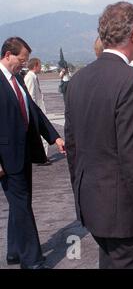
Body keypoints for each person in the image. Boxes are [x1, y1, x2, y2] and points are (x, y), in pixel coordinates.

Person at [64, 2, 133, 269]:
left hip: (92, 202)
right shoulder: (130, 79)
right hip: (122, 209)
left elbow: (72, 148)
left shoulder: (78, 79)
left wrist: (81, 194)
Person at [0, 37, 65, 269]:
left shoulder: (16, 79)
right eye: (21, 59)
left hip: (23, 152)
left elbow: (33, 111)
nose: (24, 64)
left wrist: (54, 136)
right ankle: (32, 260)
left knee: (20, 202)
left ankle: (14, 251)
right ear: (8, 55)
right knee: (22, 205)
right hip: (5, 157)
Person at [24, 58, 51, 165]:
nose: (41, 67)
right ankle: (42, 157)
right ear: (35, 65)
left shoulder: (33, 77)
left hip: (38, 110)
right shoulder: (30, 78)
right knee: (42, 135)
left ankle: (43, 156)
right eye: (40, 65)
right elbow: (31, 96)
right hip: (36, 111)